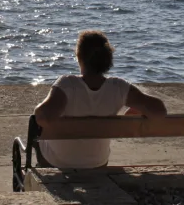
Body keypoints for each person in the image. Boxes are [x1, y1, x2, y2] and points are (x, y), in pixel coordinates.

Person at [32, 30, 168, 169]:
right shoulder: (119, 87)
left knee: (35, 128)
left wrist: (40, 107)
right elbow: (159, 110)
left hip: (59, 162)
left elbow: (44, 117)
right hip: (97, 162)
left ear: (79, 57)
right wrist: (133, 112)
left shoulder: (67, 84)